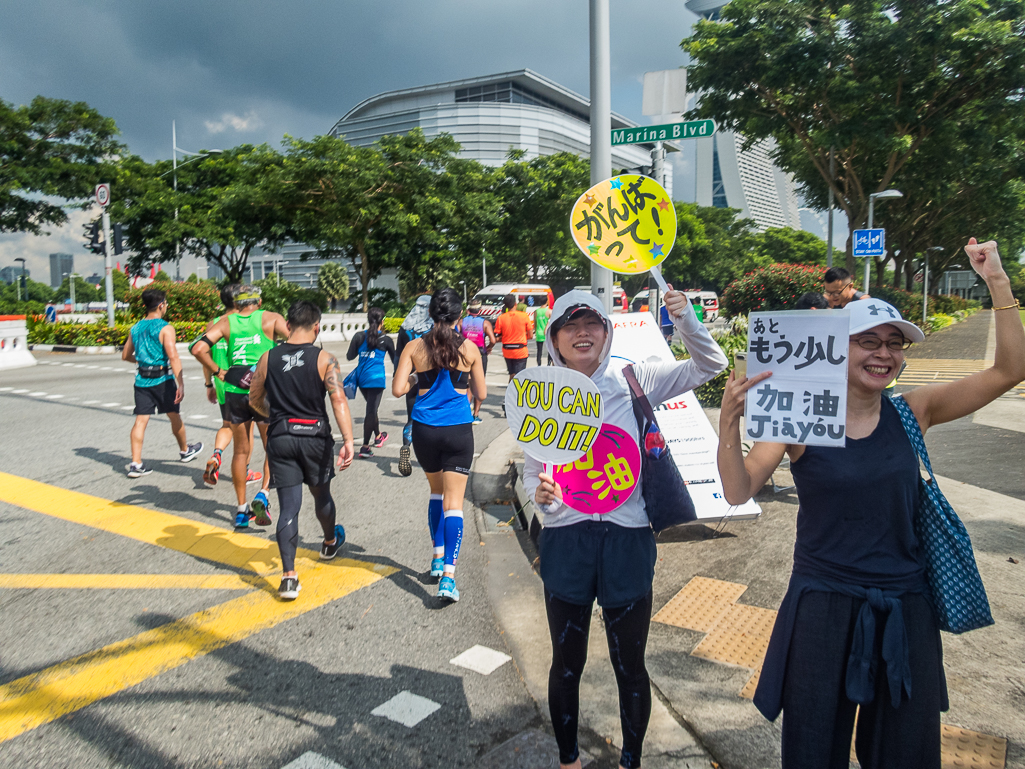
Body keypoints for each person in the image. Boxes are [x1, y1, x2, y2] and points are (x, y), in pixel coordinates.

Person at [716, 239, 1025, 769]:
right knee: (813, 751)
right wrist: (729, 423)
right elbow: (739, 490)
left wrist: (996, 278)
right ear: (837, 346)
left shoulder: (914, 411)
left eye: (894, 343)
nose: (884, 353)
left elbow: (1009, 371)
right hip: (822, 606)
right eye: (868, 341)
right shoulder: (798, 416)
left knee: (906, 752)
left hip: (906, 607)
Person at [526, 289, 727, 769]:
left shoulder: (634, 377)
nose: (582, 333)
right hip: (567, 543)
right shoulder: (543, 395)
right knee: (566, 665)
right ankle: (568, 758)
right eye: (569, 325)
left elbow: (711, 363)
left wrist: (686, 319)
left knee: (630, 667)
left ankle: (631, 760)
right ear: (553, 337)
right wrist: (543, 500)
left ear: (606, 330)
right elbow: (535, 473)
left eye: (591, 323)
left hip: (629, 540)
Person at [248, 300, 355, 600]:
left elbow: (255, 400)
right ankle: (330, 541)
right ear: (317, 327)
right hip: (315, 438)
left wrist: (277, 417)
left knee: (288, 508)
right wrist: (348, 440)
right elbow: (338, 401)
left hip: (281, 437)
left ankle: (288, 578)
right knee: (322, 496)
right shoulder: (325, 359)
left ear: (289, 325)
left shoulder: (267, 358)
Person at [393, 288, 486, 602]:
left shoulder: (414, 347)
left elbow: (397, 389)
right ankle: (448, 577)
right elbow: (482, 393)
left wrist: (416, 380)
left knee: (435, 492)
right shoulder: (470, 348)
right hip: (458, 431)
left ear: (430, 314)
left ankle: (435, 558)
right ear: (459, 315)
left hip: (425, 431)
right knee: (454, 504)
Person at [190, 285, 287, 528]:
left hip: (234, 391)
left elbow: (197, 349)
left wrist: (219, 372)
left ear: (237, 302)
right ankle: (263, 494)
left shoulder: (225, 323)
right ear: (259, 300)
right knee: (271, 447)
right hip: (263, 390)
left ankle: (241, 510)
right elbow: (298, 338)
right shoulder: (270, 318)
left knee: (240, 452)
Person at [122, 288, 203, 477]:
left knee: (141, 421)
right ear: (161, 305)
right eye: (166, 304)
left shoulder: (136, 328)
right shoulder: (166, 328)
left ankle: (136, 463)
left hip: (142, 380)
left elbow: (125, 355)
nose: (166, 307)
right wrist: (180, 383)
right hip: (163, 380)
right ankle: (185, 451)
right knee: (174, 416)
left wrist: (141, 362)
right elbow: (173, 356)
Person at [196, 284, 261, 489]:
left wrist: (209, 383)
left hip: (221, 381)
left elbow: (204, 354)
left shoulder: (213, 324)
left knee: (227, 425)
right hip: (242, 381)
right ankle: (246, 470)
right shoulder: (246, 323)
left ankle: (217, 454)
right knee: (247, 430)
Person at [346, 306, 396, 459]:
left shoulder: (359, 336)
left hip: (361, 379)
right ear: (382, 321)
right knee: (371, 411)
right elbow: (396, 360)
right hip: (376, 379)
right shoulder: (386, 340)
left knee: (372, 409)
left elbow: (349, 357)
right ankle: (365, 446)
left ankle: (379, 435)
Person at [396, 296, 434, 476]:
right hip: (430, 378)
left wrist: (402, 378)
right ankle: (429, 454)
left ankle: (406, 446)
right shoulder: (434, 328)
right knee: (430, 416)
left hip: (410, 379)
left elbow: (398, 358)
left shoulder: (405, 329)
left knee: (411, 417)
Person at [458, 300, 497, 424]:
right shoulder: (485, 323)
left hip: (464, 354)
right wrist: (489, 347)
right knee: (478, 382)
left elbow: (456, 336)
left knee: (466, 384)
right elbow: (493, 339)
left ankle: (465, 413)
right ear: (480, 310)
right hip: (480, 355)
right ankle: (476, 415)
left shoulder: (461, 322)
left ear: (468, 310)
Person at [492, 293, 533, 381]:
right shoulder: (524, 316)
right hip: (520, 350)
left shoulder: (501, 318)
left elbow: (497, 337)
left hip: (507, 350)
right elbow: (531, 335)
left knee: (512, 374)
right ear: (515, 304)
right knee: (520, 376)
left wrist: (507, 337)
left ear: (505, 305)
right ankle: (517, 393)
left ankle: (510, 391)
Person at [533, 302, 551, 366]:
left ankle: (539, 365)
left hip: (539, 332)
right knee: (549, 350)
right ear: (546, 302)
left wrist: (535, 330)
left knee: (539, 351)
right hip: (547, 333)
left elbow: (535, 323)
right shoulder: (549, 311)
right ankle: (548, 364)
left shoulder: (536, 311)